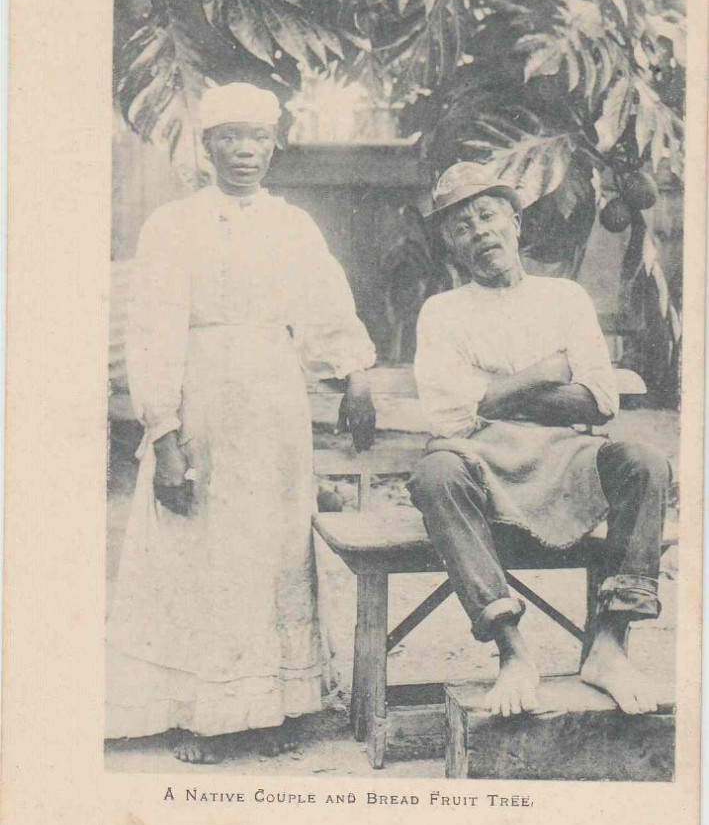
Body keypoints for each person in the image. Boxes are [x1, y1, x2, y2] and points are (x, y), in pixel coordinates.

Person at [106, 82, 376, 763]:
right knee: (204, 546)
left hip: (273, 404)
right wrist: (164, 436)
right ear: (207, 146)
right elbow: (152, 331)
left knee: (274, 546)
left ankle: (274, 703)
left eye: (257, 136)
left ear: (273, 144)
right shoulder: (173, 225)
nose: (245, 151)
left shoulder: (291, 225)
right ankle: (204, 712)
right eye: (230, 136)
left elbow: (324, 308)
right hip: (202, 398)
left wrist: (355, 378)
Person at [409, 162, 671, 718]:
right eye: (461, 226)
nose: (479, 232)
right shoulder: (443, 313)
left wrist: (493, 392)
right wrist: (546, 372)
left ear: (516, 224)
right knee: (435, 474)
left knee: (645, 462)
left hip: (564, 456)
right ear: (452, 247)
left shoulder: (564, 298)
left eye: (488, 215)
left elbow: (599, 400)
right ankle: (512, 652)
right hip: (481, 458)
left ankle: (608, 646)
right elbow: (447, 413)